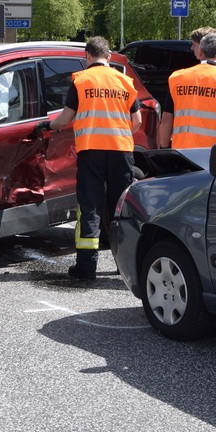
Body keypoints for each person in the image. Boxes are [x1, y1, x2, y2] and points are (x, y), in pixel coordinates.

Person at [37, 37, 140, 281]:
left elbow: (64, 120)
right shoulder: (125, 81)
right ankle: (123, 265)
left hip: (91, 151)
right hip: (121, 151)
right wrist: (118, 133)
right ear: (109, 55)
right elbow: (136, 122)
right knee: (119, 208)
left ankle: (86, 267)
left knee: (90, 206)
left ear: (87, 56)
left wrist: (45, 125)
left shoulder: (81, 81)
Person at [159, 30, 216, 149]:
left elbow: (167, 118)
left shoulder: (177, 77)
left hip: (181, 151)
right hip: (214, 152)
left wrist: (164, 147)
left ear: (201, 52)